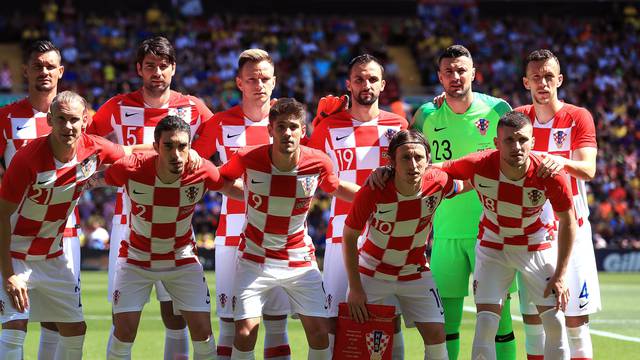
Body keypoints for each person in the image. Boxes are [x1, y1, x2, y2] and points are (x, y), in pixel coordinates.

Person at [88, 36, 213, 360]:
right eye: (149, 66)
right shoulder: (117, 106)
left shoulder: (193, 108)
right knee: (124, 313)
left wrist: (199, 152)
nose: (157, 72)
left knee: (175, 311)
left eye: (163, 65)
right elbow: (90, 143)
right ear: (138, 70)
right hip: (129, 217)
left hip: (176, 218)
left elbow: (217, 143)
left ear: (173, 68)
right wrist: (130, 153)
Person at [0, 91, 144, 359]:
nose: (68, 126)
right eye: (62, 119)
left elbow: (131, 152)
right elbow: (1, 216)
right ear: (50, 120)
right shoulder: (25, 160)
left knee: (76, 330)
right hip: (16, 254)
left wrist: (178, 150)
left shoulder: (94, 148)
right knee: (15, 327)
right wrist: (9, 273)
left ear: (85, 122)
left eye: (74, 120)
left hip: (53, 257)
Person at [219, 98, 359, 360]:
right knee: (245, 333)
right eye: (280, 126)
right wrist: (246, 193)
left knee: (320, 333)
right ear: (270, 130)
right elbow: (220, 180)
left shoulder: (318, 162)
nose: (287, 133)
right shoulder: (248, 157)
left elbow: (336, 187)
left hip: (298, 260)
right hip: (254, 258)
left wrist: (374, 196)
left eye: (293, 127)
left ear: (302, 131)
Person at [101, 115, 242, 359]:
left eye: (182, 146)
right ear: (156, 147)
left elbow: (232, 188)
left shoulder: (202, 170)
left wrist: (277, 191)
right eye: (168, 146)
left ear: (190, 147)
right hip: (136, 258)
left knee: (204, 336)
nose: (176, 154)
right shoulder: (130, 167)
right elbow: (97, 178)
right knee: (123, 334)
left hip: (182, 259)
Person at [441, 111, 576, 360]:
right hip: (493, 246)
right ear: (496, 143)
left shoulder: (551, 174)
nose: (517, 146)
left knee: (555, 324)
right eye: (508, 140)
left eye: (523, 140)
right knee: (485, 325)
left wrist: (561, 274)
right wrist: (389, 173)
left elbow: (569, 222)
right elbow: (436, 170)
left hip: (535, 246)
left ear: (533, 142)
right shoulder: (478, 164)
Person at [411, 45, 516, 360]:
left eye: (461, 70)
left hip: (492, 232)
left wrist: (467, 184)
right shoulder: (427, 115)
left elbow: (512, 161)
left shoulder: (497, 110)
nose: (455, 77)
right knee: (446, 323)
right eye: (449, 71)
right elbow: (410, 162)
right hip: (445, 233)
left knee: (501, 320)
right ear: (440, 76)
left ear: (474, 72)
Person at [192, 49, 292, 360]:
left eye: (264, 79)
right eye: (252, 79)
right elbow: (195, 166)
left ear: (274, 82)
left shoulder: (288, 123)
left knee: (277, 322)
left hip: (278, 233)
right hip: (233, 232)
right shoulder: (221, 123)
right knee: (230, 322)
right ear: (239, 82)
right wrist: (246, 192)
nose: (258, 85)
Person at [306, 54, 408, 356]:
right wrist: (369, 196)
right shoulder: (328, 127)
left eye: (373, 79)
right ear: (348, 83)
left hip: (387, 234)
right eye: (360, 79)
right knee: (332, 320)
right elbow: (321, 179)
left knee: (391, 318)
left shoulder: (398, 125)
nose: (366, 84)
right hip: (341, 234)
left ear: (383, 85)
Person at [344, 129, 464, 360]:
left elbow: (466, 183)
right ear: (391, 162)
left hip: (415, 273)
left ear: (428, 159)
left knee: (437, 335)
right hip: (372, 272)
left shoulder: (438, 182)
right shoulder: (373, 191)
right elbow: (349, 237)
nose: (413, 164)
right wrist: (356, 288)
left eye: (419, 157)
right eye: (405, 158)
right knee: (366, 348)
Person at [0, 39, 83, 360]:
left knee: (56, 320)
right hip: (16, 232)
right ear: (26, 70)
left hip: (64, 235)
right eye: (37, 65)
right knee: (14, 319)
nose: (44, 72)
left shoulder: (77, 115)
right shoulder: (7, 117)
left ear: (61, 72)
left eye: (50, 66)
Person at [515, 49, 600, 360]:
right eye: (536, 77)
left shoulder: (578, 117)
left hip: (572, 229)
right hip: (532, 234)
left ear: (559, 79)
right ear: (526, 82)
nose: (543, 82)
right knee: (534, 320)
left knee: (576, 321)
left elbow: (588, 170)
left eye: (549, 76)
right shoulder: (518, 118)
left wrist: (556, 161)